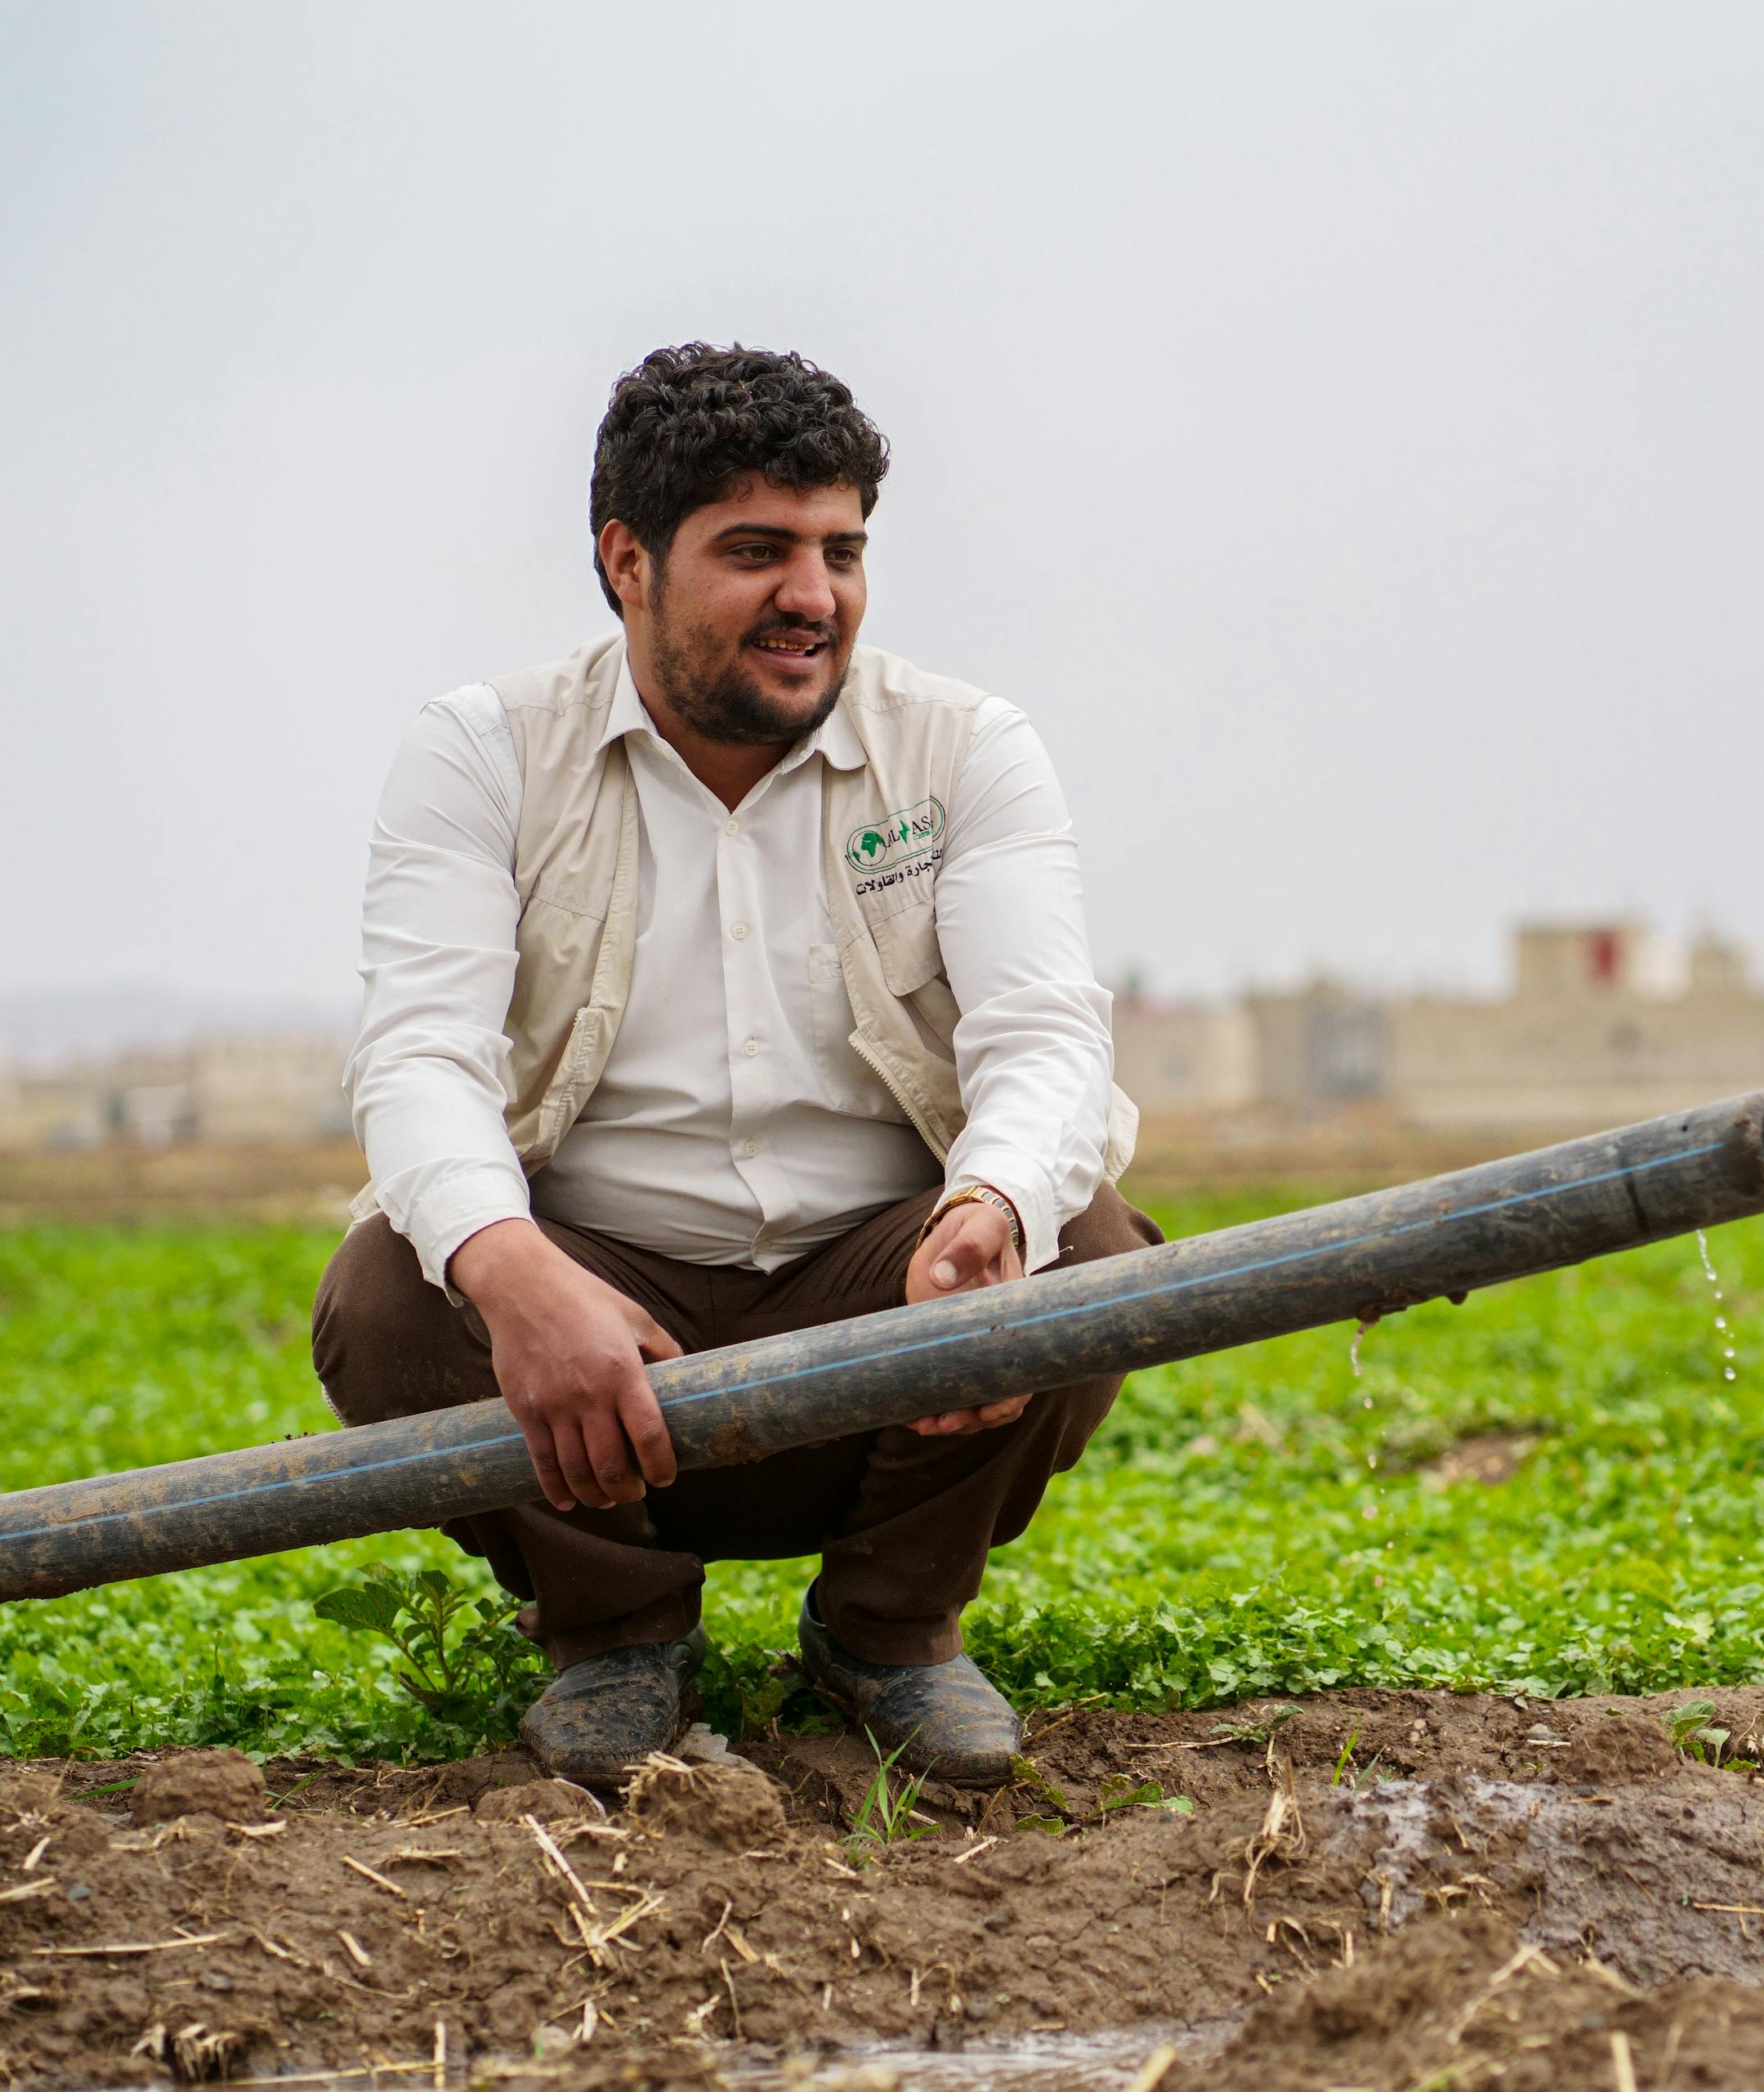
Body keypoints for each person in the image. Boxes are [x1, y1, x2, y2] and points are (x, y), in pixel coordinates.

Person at [311, 342, 1153, 1786]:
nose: (812, 598)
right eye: (756, 551)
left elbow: (1047, 1039)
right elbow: (418, 1057)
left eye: (840, 550)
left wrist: (990, 1216)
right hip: (594, 1346)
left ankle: (891, 1630)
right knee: (396, 1289)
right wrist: (515, 1276)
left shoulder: (962, 750)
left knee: (1080, 1240)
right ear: (627, 561)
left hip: (888, 1319)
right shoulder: (487, 754)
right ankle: (613, 1630)